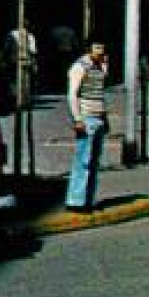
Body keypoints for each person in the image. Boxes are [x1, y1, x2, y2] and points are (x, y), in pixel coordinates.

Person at [65, 42, 109, 213]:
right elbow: (72, 94)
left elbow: (101, 91)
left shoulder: (99, 67)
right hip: (87, 117)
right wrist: (77, 119)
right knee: (83, 160)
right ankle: (76, 200)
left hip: (99, 117)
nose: (100, 52)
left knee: (94, 161)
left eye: (102, 49)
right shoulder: (79, 67)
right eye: (97, 49)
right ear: (89, 50)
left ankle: (88, 199)